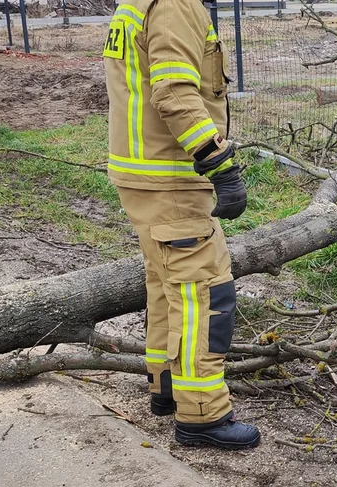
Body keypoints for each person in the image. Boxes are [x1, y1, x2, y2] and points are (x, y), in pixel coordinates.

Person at [103, 0, 260, 449]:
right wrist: (217, 161)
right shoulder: (176, 3)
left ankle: (166, 386)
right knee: (204, 292)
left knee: (165, 286)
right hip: (171, 176)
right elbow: (173, 91)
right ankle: (203, 414)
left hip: (142, 173)